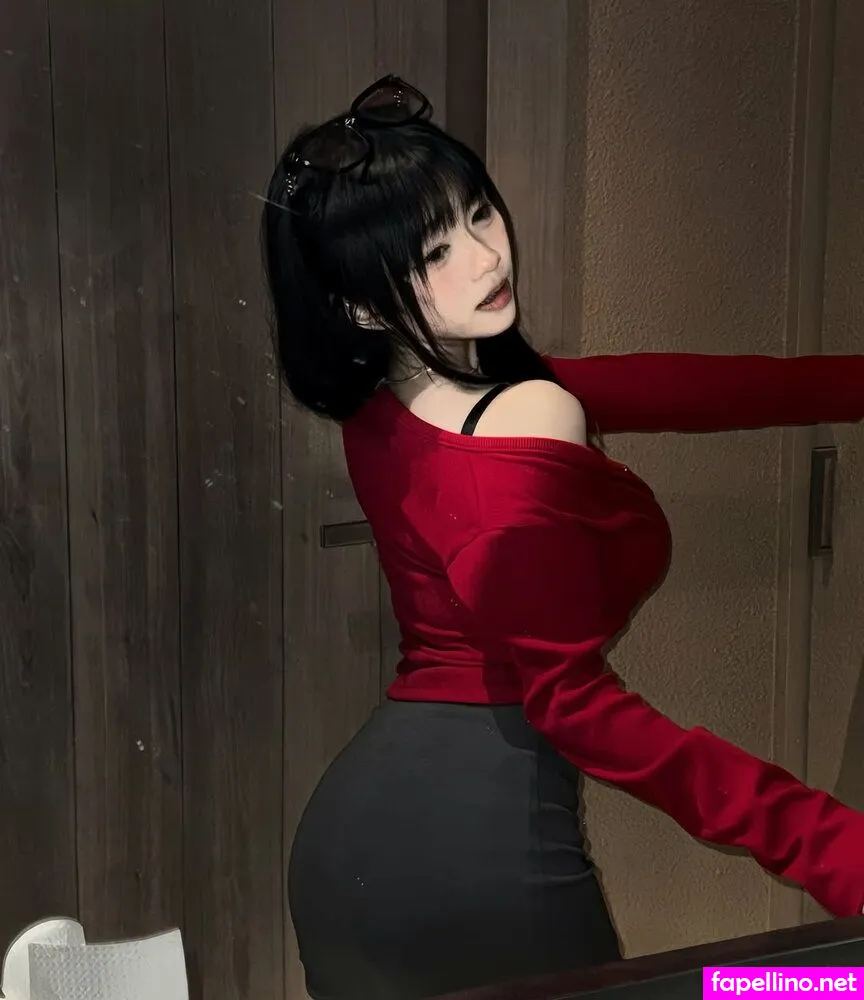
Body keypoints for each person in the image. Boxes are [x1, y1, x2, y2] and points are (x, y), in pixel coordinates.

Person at [261, 75, 864, 1000]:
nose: (484, 256)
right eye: (433, 251)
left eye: (476, 211)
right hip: (481, 848)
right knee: (800, 986)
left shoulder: (392, 396)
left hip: (354, 847)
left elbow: (677, 386)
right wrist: (833, 848)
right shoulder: (524, 419)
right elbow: (577, 706)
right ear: (364, 305)